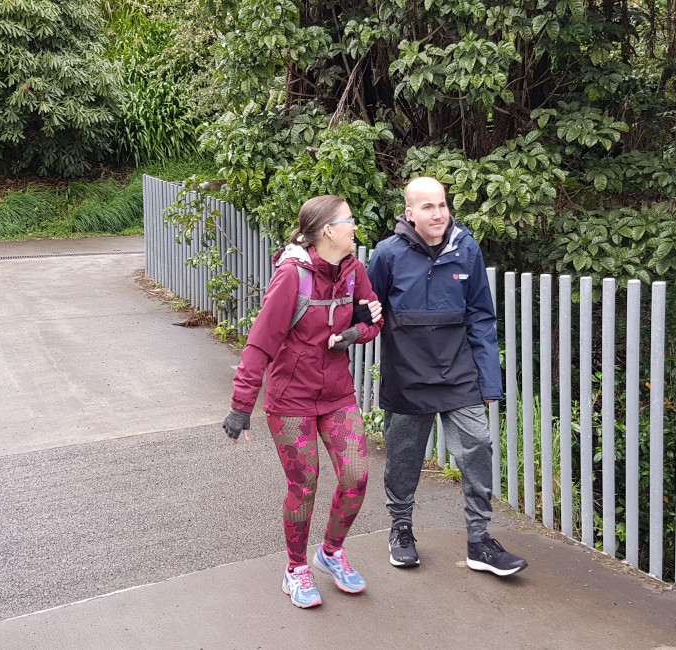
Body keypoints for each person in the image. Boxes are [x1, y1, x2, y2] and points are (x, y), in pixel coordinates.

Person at [222, 195, 384, 608]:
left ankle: (330, 552)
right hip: (290, 399)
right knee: (304, 484)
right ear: (328, 230)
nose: (355, 228)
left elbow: (374, 318)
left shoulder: (354, 272)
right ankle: (295, 569)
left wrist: (354, 335)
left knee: (356, 477)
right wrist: (242, 405)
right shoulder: (292, 277)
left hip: (337, 394)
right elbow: (260, 343)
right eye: (350, 221)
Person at [365, 176, 528, 576]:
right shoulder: (386, 255)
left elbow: (481, 317)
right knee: (404, 458)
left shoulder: (466, 248)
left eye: (442, 205)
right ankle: (401, 529)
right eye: (427, 207)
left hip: (459, 374)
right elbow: (367, 312)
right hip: (407, 376)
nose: (438, 214)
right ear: (409, 214)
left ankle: (479, 541)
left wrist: (490, 381)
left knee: (478, 447)